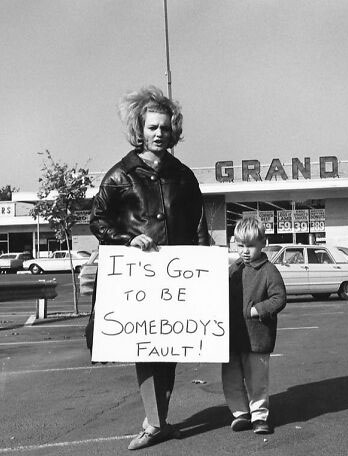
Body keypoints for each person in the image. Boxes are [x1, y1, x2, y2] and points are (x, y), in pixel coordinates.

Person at [89, 86, 209, 451]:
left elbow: (199, 224)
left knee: (171, 347)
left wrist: (207, 261)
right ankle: (155, 422)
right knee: (146, 346)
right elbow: (96, 220)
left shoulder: (185, 175)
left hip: (179, 278)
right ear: (140, 130)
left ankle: (159, 420)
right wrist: (127, 240)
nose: (159, 133)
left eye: (165, 127)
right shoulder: (121, 174)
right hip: (140, 279)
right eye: (152, 127)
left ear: (173, 130)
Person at [222, 217, 286, 435]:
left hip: (257, 337)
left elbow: (279, 298)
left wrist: (256, 310)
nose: (245, 251)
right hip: (231, 337)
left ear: (263, 243)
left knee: (256, 380)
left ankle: (259, 416)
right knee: (230, 377)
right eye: (240, 245)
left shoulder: (269, 270)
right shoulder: (233, 269)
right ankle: (240, 414)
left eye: (250, 246)